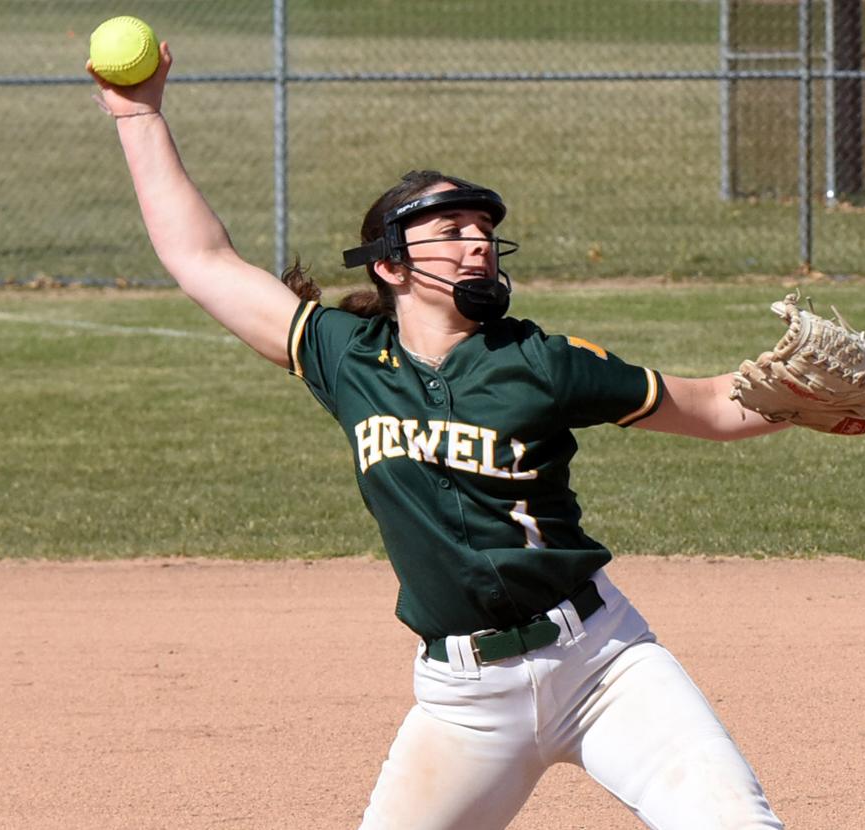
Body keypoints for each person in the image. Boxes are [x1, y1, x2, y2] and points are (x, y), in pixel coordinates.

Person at [90, 42, 789, 830]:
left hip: (604, 665)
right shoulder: (344, 357)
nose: (478, 241)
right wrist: (139, 114)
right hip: (464, 705)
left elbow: (711, 405)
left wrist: (811, 402)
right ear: (390, 264)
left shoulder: (540, 361)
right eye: (452, 228)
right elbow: (200, 257)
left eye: (484, 229)